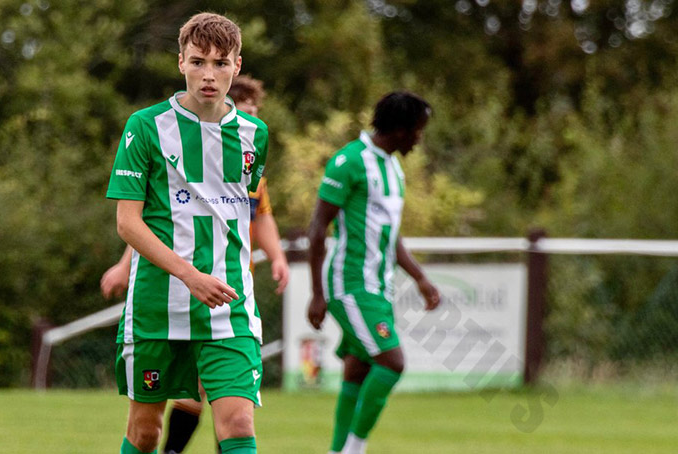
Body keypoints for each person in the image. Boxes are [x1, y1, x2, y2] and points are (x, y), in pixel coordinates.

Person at [106, 13, 267, 454]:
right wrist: (190, 276)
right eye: (198, 62)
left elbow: (243, 213)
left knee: (236, 423)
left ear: (237, 64)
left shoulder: (256, 135)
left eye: (220, 63)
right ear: (181, 63)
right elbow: (128, 222)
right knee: (145, 432)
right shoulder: (145, 126)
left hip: (229, 306)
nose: (209, 74)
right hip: (158, 305)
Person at [306, 92, 441, 454]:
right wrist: (317, 293)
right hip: (349, 286)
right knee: (392, 363)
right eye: (418, 130)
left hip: (378, 288)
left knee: (358, 369)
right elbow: (318, 229)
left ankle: (339, 450)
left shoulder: (394, 169)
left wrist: (419, 277)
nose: (419, 138)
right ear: (400, 129)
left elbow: (388, 234)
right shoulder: (349, 161)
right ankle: (354, 449)